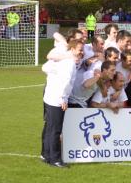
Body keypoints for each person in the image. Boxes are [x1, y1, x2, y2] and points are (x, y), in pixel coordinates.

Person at [42, 39, 84, 168]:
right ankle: (55, 159)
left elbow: (45, 67)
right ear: (71, 50)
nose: (82, 52)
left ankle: (47, 155)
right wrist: (63, 99)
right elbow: (66, 83)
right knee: (56, 130)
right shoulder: (69, 63)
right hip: (57, 100)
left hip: (49, 97)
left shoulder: (61, 60)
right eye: (79, 49)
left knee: (50, 128)